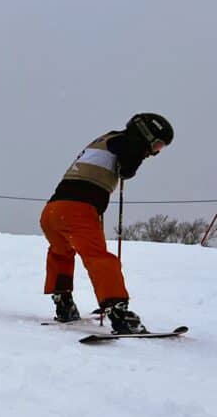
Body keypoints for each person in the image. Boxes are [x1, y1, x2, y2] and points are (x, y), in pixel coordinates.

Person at [41, 113, 172, 332]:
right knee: (99, 258)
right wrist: (133, 161)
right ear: (147, 134)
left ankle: (64, 304)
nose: (155, 152)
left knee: (61, 253)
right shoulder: (125, 140)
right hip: (78, 209)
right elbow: (128, 164)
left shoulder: (104, 140)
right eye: (157, 145)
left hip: (52, 211)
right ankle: (118, 312)